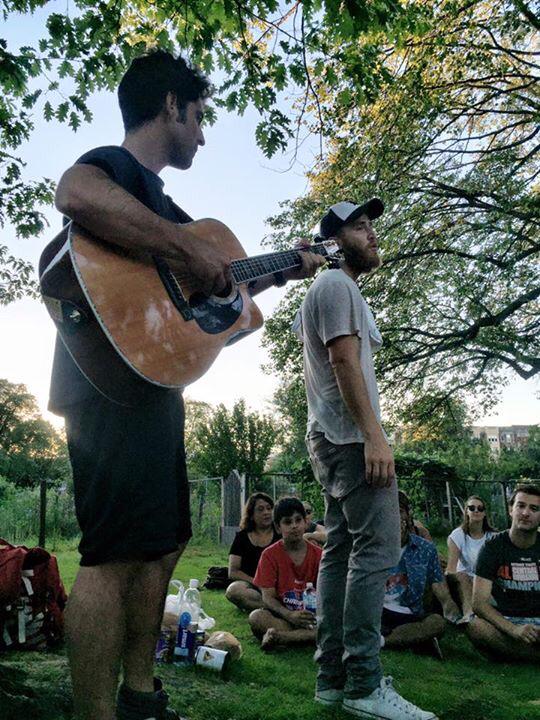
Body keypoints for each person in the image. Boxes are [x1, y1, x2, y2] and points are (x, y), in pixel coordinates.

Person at [50, 51, 323, 720]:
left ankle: (140, 695)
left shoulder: (165, 207)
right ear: (170, 105)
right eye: (199, 116)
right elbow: (73, 193)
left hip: (154, 385)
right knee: (111, 556)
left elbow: (211, 297)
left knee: (166, 540)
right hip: (107, 383)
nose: (202, 133)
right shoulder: (117, 172)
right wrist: (182, 248)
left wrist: (287, 268)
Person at [295, 199, 438, 719]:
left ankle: (334, 678)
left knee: (339, 552)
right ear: (334, 241)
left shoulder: (329, 290)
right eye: (360, 226)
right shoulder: (336, 285)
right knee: (378, 551)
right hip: (352, 442)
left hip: (333, 439)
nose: (372, 233)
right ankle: (363, 682)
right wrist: (375, 436)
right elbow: (342, 360)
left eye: (371, 223)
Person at [382, 492, 461, 659]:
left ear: (408, 514)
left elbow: (439, 585)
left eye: (400, 511)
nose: (395, 517)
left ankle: (382, 641)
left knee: (436, 623)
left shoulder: (425, 549)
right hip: (375, 610)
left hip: (409, 614)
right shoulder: (370, 545)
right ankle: (412, 641)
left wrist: (451, 609)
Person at [467, 484, 540, 662]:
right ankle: (530, 654)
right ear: (510, 510)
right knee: (475, 626)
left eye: (534, 508)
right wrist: (513, 630)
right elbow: (479, 603)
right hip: (506, 621)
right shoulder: (492, 547)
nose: (525, 513)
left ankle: (511, 653)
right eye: (521, 506)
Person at [248, 497, 322, 650]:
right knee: (256, 617)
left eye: (298, 520)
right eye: (288, 522)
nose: (294, 526)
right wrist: (289, 615)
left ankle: (283, 638)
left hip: (314, 617)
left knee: (339, 622)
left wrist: (313, 616)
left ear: (306, 523)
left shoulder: (320, 555)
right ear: (277, 527)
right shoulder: (269, 555)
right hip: (284, 617)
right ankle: (305, 637)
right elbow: (267, 597)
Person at [225, 492, 280, 611]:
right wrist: (258, 583)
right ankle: (274, 608)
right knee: (234, 590)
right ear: (251, 515)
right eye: (260, 509)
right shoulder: (242, 537)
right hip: (253, 586)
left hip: (277, 585)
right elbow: (233, 571)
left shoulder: (281, 535)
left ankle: (274, 606)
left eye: (269, 508)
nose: (266, 512)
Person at [446, 494, 496, 621]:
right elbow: (451, 569)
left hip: (486, 581)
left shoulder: (493, 537)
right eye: (472, 508)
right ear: (466, 511)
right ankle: (469, 615)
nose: (476, 511)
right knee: (464, 577)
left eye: (480, 508)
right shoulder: (457, 535)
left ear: (485, 513)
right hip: (463, 581)